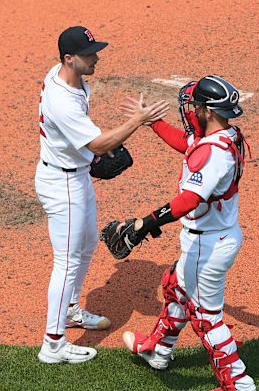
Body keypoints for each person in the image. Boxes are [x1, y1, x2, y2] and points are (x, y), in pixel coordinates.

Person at [34, 25, 169, 364]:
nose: (97, 58)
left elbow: (86, 145)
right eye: (89, 54)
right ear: (69, 58)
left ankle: (70, 310)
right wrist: (137, 121)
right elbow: (97, 143)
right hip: (61, 184)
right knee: (65, 261)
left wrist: (87, 157)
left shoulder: (68, 76)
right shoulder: (61, 99)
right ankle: (52, 344)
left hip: (74, 176)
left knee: (88, 244)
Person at [116, 75, 256, 390]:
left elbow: (188, 201)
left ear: (207, 111)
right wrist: (152, 123)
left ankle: (238, 383)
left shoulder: (213, 154)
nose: (191, 110)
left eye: (195, 106)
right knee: (175, 287)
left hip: (206, 245)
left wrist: (145, 223)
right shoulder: (226, 134)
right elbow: (187, 143)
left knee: (207, 319)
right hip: (217, 236)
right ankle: (159, 350)